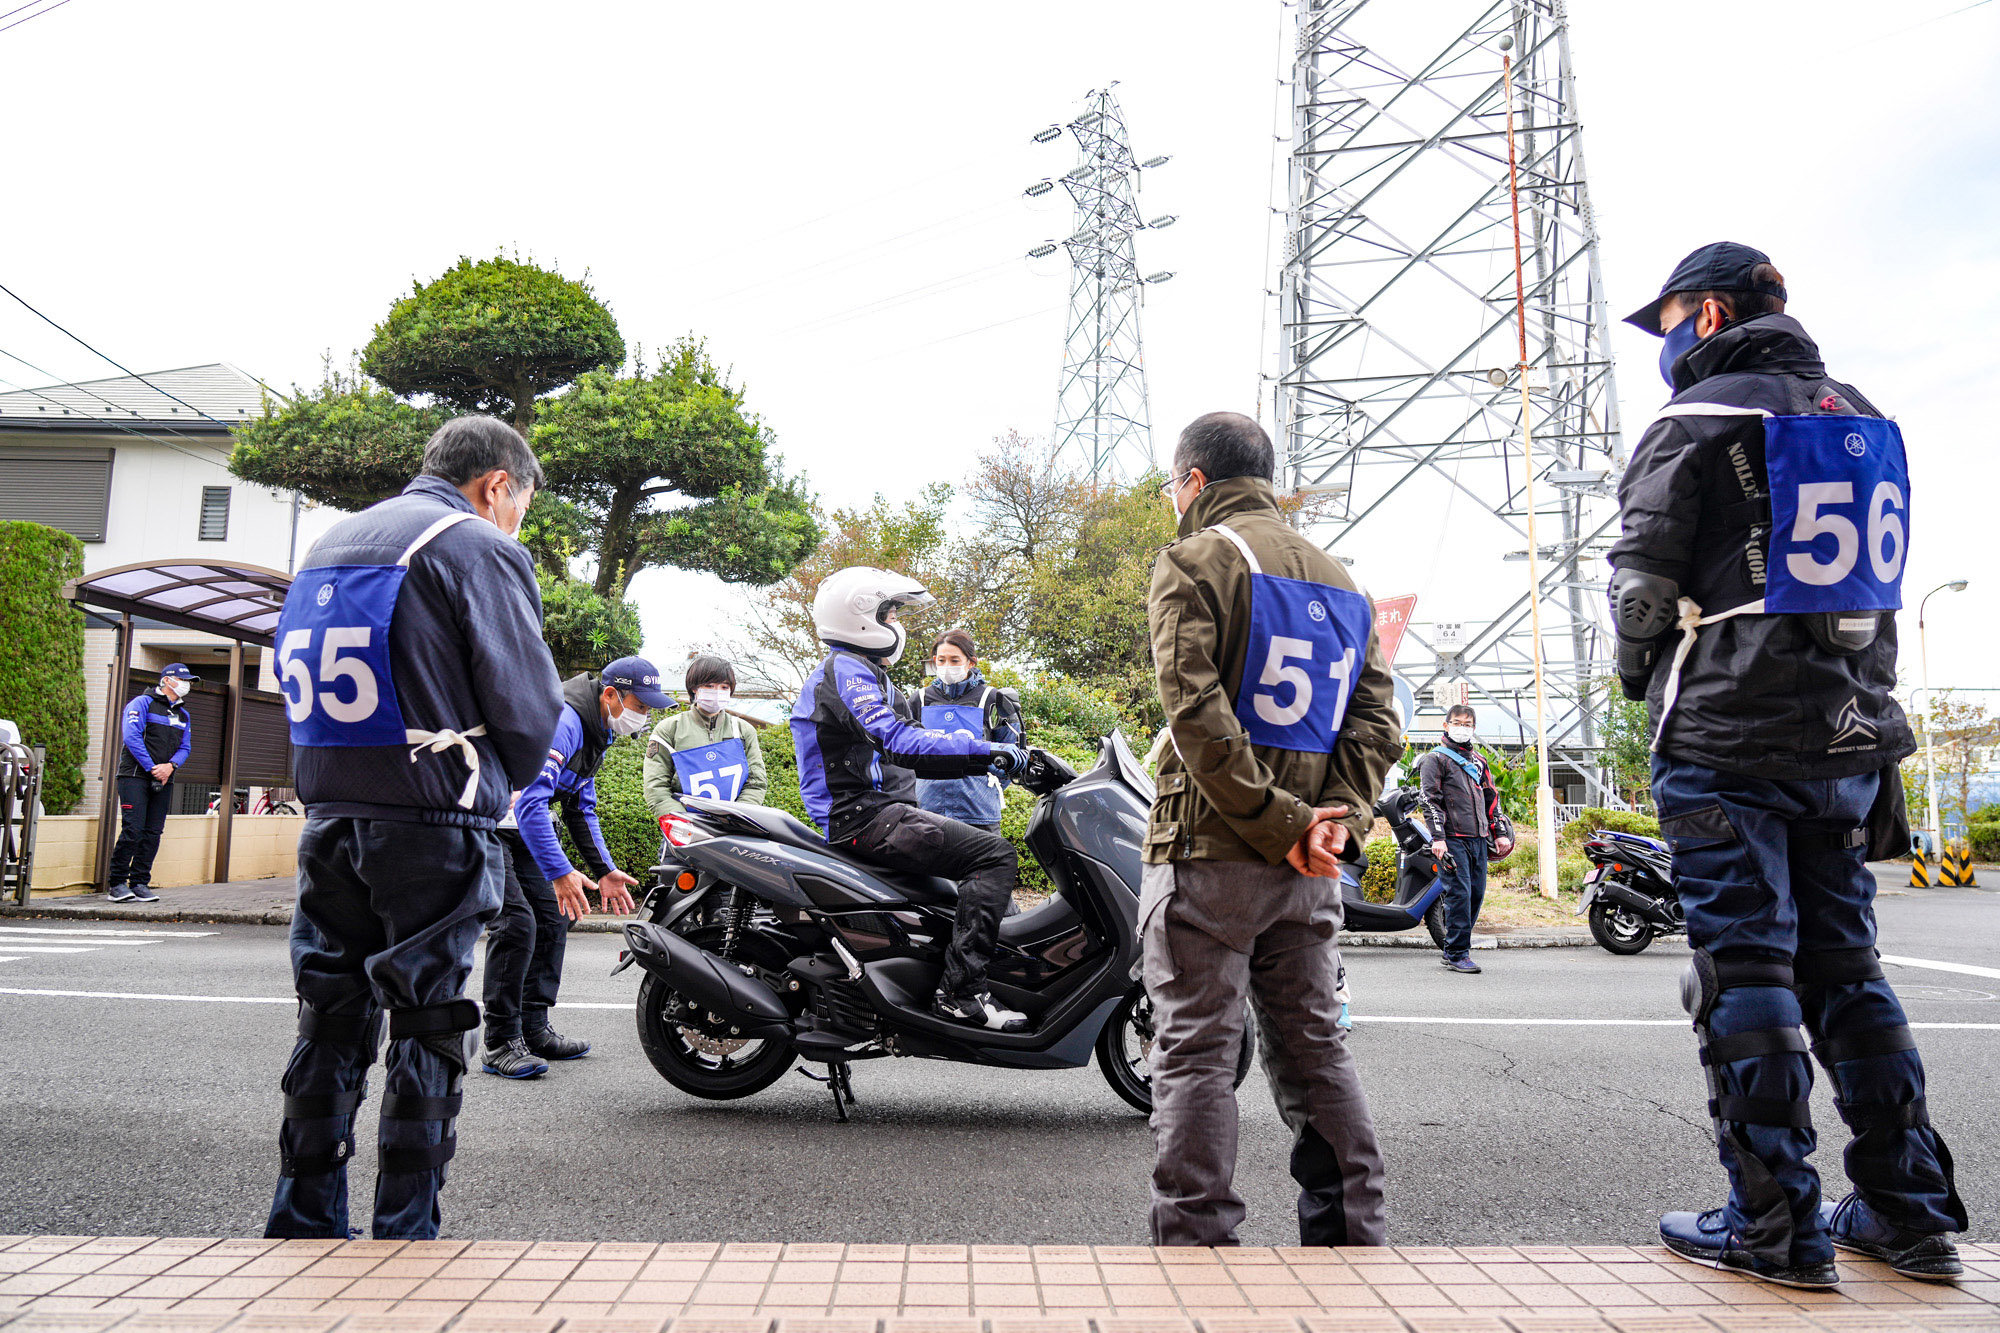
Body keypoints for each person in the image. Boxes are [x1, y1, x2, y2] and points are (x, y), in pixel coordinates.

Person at [1612, 242, 1966, 1286]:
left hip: (1727, 735)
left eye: (1670, 317)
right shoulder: (1861, 416)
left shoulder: (1693, 422)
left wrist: (1644, 682)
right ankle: (1905, 1213)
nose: (1665, 340)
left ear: (1710, 315)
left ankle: (1773, 1224)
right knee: (1847, 969)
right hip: (1850, 736)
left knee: (1744, 969)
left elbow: (1640, 595)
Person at [263, 415, 563, 1241]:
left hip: (330, 813)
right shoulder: (473, 544)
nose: (515, 521)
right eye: (520, 504)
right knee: (428, 1016)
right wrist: (495, 772)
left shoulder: (330, 544)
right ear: (497, 482)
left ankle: (303, 1214)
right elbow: (531, 714)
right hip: (433, 816)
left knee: (329, 1012)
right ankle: (404, 1226)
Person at [1143, 410, 1403, 1247]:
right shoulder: (1342, 581)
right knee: (1317, 1048)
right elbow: (1378, 724)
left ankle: (1198, 1244)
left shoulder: (1196, 560)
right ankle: (1348, 1234)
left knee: (1196, 1055)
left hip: (1211, 856)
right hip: (1310, 869)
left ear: (1193, 481)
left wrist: (1279, 821)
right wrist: (1332, 824)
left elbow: (1197, 717)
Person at [792, 566, 1030, 1032]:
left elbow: (916, 749)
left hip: (876, 812)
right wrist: (987, 750)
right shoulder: (847, 671)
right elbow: (899, 740)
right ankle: (961, 994)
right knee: (994, 856)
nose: (897, 622)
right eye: (890, 612)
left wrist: (996, 755)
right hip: (860, 816)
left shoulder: (865, 673)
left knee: (955, 884)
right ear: (860, 617)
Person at [483, 656, 660, 1076]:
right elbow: (530, 802)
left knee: (552, 918)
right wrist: (561, 873)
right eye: (641, 705)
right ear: (611, 695)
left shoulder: (597, 729)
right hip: (486, 824)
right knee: (517, 925)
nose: (644, 716)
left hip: (523, 827)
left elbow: (581, 807)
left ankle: (534, 1028)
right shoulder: (564, 721)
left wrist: (605, 870)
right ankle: (500, 1041)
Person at [1416, 704, 1515, 973]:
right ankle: (1458, 953)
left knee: (1475, 895)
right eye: (1457, 722)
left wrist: (1500, 833)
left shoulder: (1479, 762)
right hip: (1452, 839)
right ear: (1446, 725)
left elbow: (1491, 799)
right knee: (1459, 895)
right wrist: (1438, 838)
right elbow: (1429, 801)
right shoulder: (1435, 760)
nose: (1463, 728)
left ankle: (1454, 948)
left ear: (1473, 728)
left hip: (1479, 839)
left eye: (1468, 724)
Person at [909, 629, 1023, 836]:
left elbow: (1012, 754)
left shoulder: (993, 699)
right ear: (934, 661)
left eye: (954, 660)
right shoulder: (919, 699)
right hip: (926, 810)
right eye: (941, 660)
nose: (947, 666)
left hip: (978, 813)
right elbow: (902, 751)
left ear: (971, 662)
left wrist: (984, 787)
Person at [106, 662, 197, 903]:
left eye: (188, 681)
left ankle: (139, 882)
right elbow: (131, 737)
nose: (187, 685)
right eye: (183, 680)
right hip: (134, 776)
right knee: (133, 829)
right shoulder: (141, 703)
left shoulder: (183, 714)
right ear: (167, 680)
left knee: (153, 832)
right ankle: (117, 883)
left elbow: (185, 747)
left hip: (165, 778)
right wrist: (152, 767)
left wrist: (170, 767)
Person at [642, 654, 768, 819]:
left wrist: (737, 819)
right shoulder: (669, 729)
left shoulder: (743, 730)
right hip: (684, 830)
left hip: (735, 829)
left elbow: (756, 783)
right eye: (709, 685)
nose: (717, 692)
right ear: (694, 688)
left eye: (724, 687)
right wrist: (683, 822)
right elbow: (656, 787)